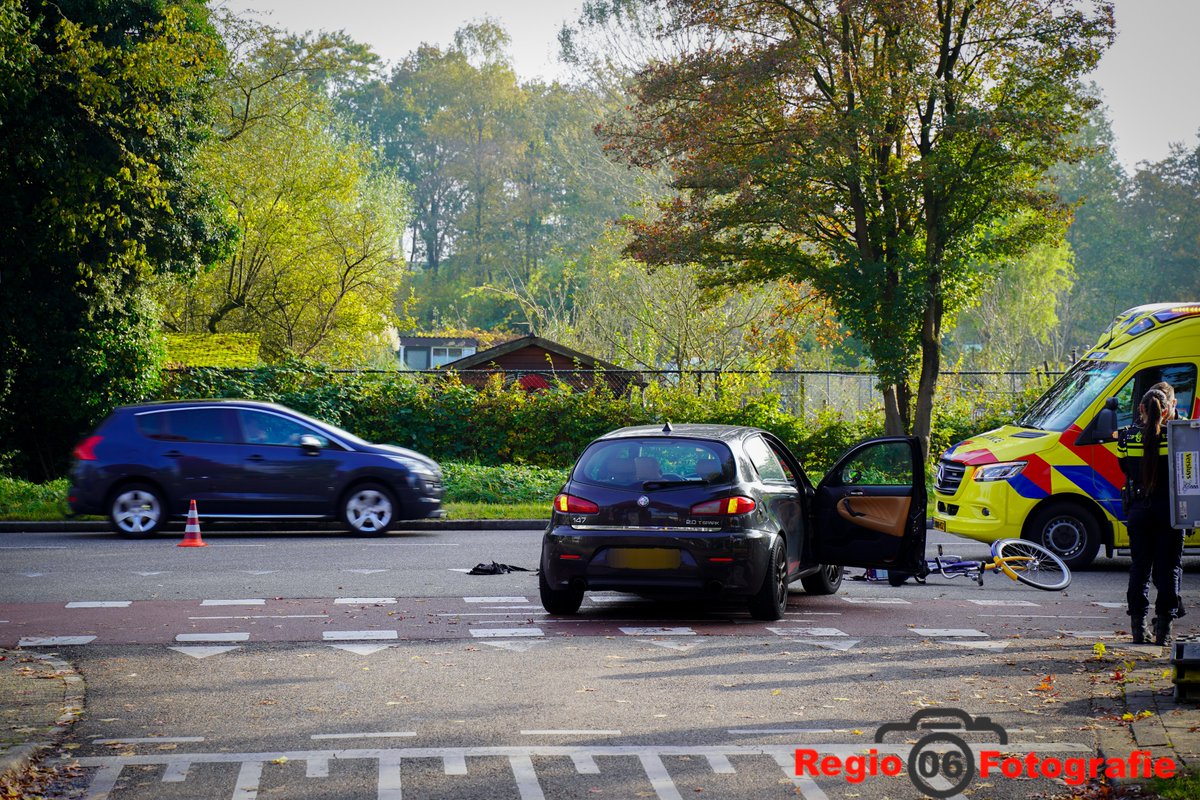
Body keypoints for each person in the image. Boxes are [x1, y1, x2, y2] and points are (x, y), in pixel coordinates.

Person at [1117, 385, 1185, 645]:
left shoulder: (1125, 437)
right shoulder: (1177, 436)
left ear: (1141, 409)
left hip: (1138, 509)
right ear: (1168, 409)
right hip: (1170, 511)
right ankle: (1164, 632)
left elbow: (1125, 468)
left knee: (1140, 569)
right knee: (1169, 569)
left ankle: (1138, 629)